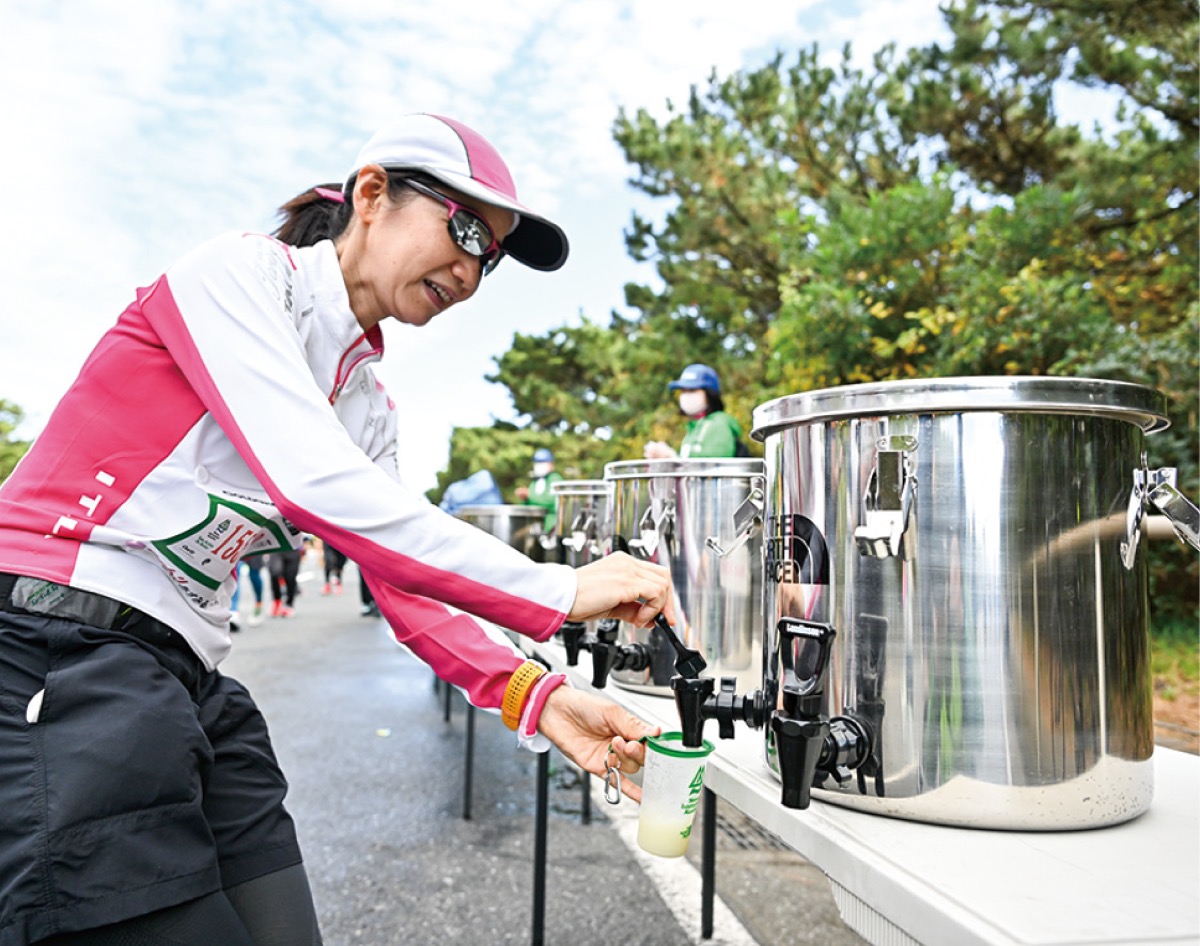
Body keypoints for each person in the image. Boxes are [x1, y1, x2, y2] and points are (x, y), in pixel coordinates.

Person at [0, 112, 673, 946]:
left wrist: (540, 695)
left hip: (188, 681)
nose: (471, 268)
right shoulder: (240, 273)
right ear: (371, 193)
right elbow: (312, 481)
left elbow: (405, 589)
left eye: (490, 257)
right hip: (53, 643)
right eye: (465, 229)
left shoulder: (368, 405)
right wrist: (563, 588)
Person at [644, 363, 746, 459]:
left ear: (709, 394)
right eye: (684, 391)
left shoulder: (718, 423)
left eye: (692, 390)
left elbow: (712, 469)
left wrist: (671, 457)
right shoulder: (694, 427)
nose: (686, 395)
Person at [515, 447, 563, 530]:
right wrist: (524, 500)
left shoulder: (555, 479)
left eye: (542, 462)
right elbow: (530, 504)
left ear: (551, 464)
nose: (539, 465)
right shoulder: (535, 482)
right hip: (534, 523)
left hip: (551, 525)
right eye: (537, 462)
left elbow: (551, 502)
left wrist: (529, 495)